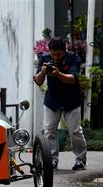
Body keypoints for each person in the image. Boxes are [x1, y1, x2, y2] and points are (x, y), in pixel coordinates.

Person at [33, 37, 87, 171]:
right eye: (53, 54)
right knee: (49, 130)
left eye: (59, 54)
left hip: (71, 99)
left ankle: (81, 159)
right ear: (49, 52)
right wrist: (43, 72)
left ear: (65, 50)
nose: (55, 57)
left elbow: (73, 79)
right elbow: (38, 81)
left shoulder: (73, 58)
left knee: (74, 131)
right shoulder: (44, 59)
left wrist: (58, 74)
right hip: (52, 100)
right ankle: (51, 160)